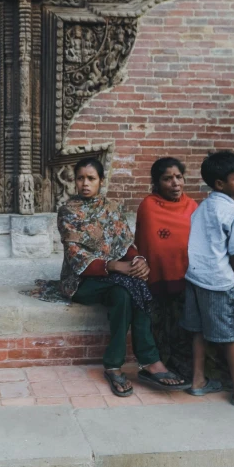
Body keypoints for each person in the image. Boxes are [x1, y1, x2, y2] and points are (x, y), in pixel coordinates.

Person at [57, 157, 189, 397]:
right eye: (80, 178)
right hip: (82, 281)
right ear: (74, 181)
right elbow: (76, 258)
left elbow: (126, 243)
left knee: (127, 290)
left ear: (101, 181)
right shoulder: (68, 212)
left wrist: (138, 260)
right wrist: (115, 266)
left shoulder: (113, 208)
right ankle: (149, 360)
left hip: (114, 280)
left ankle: (116, 365)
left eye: (91, 178)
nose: (85, 184)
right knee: (128, 286)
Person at [135, 157, 234, 385]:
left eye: (178, 177)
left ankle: (223, 370)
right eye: (167, 179)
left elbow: (208, 246)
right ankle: (232, 383)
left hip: (202, 277)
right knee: (212, 327)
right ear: (156, 182)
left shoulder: (194, 206)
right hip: (169, 282)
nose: (175, 183)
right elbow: (154, 248)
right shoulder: (149, 206)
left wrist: (224, 275)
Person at [182, 151, 234, 407]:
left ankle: (198, 381)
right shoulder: (233, 211)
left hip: (194, 276)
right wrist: (231, 277)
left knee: (199, 331)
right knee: (230, 336)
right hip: (216, 280)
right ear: (220, 184)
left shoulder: (203, 206)